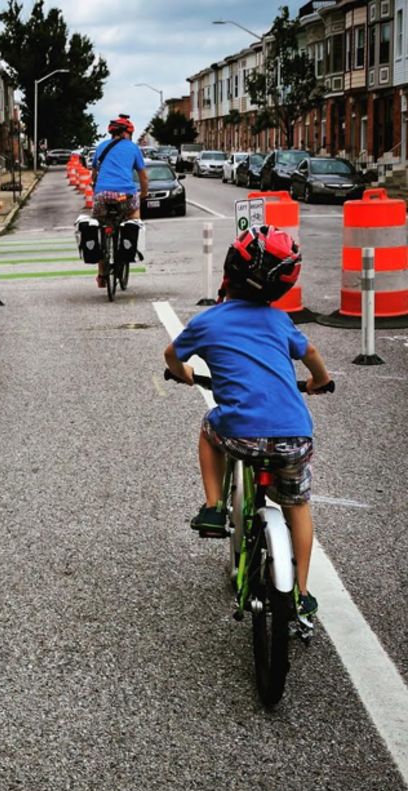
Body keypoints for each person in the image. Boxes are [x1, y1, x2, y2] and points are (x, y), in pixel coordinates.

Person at [163, 225, 333, 622]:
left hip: (239, 434)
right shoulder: (279, 322)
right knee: (298, 507)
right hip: (293, 437)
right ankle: (301, 592)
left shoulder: (210, 321)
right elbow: (309, 352)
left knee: (210, 429)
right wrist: (319, 382)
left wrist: (184, 371)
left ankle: (212, 506)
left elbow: (172, 353)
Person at [91, 115, 149, 288]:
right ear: (127, 133)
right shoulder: (133, 148)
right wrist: (143, 194)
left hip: (102, 196)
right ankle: (129, 248)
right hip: (126, 196)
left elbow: (93, 174)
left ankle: (102, 275)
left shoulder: (101, 147)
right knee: (134, 217)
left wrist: (97, 188)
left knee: (101, 230)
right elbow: (143, 177)